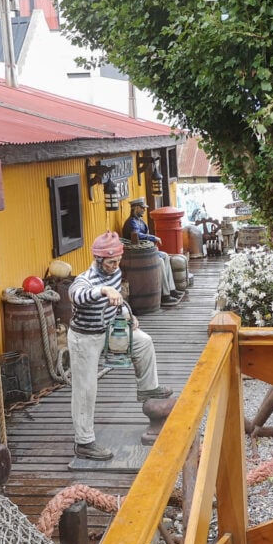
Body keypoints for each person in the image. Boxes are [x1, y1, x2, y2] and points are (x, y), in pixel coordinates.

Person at [68, 231, 174, 460]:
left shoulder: (115, 273)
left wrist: (127, 314)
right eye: (110, 262)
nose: (115, 266)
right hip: (84, 338)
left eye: (117, 261)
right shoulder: (84, 280)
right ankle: (84, 442)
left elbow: (117, 303)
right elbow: (76, 296)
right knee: (86, 389)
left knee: (143, 342)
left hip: (107, 332)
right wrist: (103, 290)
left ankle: (147, 388)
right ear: (98, 260)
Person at [122, 197, 183, 307]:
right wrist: (152, 237)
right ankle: (165, 294)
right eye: (142, 208)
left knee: (165, 256)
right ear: (136, 208)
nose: (144, 210)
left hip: (146, 251)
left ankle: (171, 288)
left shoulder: (139, 221)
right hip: (138, 255)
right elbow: (136, 235)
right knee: (159, 261)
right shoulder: (132, 223)